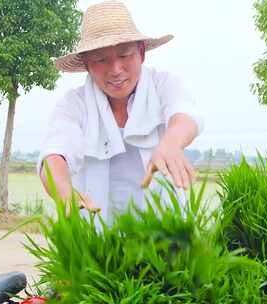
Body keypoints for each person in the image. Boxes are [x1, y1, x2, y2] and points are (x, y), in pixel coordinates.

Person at [37, 0, 203, 224]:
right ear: (86, 64)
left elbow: (184, 113)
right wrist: (65, 194)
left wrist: (171, 143)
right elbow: (55, 153)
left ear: (141, 52)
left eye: (124, 55)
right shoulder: (74, 105)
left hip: (162, 236)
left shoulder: (163, 85)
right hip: (97, 237)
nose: (115, 70)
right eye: (101, 59)